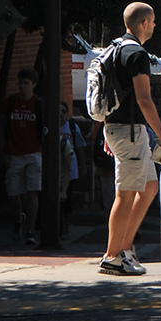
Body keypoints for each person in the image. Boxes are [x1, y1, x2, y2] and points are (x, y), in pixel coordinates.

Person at [100, 3, 161, 276]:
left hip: (125, 130)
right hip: (130, 132)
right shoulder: (137, 54)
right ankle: (112, 256)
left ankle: (125, 248)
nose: (155, 25)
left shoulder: (116, 48)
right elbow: (144, 99)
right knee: (125, 194)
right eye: (153, 21)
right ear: (144, 23)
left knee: (148, 187)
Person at [3, 67, 44, 246]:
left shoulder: (38, 104)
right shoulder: (10, 102)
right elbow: (0, 125)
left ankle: (30, 230)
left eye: (26, 83)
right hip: (14, 153)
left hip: (34, 153)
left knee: (32, 191)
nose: (22, 86)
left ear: (33, 85)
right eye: (20, 82)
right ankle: (19, 218)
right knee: (13, 194)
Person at [57, 102, 86, 239]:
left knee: (67, 200)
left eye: (63, 111)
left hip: (70, 170)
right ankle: (56, 226)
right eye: (58, 112)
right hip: (55, 171)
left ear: (67, 114)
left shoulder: (73, 128)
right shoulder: (51, 127)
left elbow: (79, 148)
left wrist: (83, 166)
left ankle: (66, 228)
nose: (60, 114)